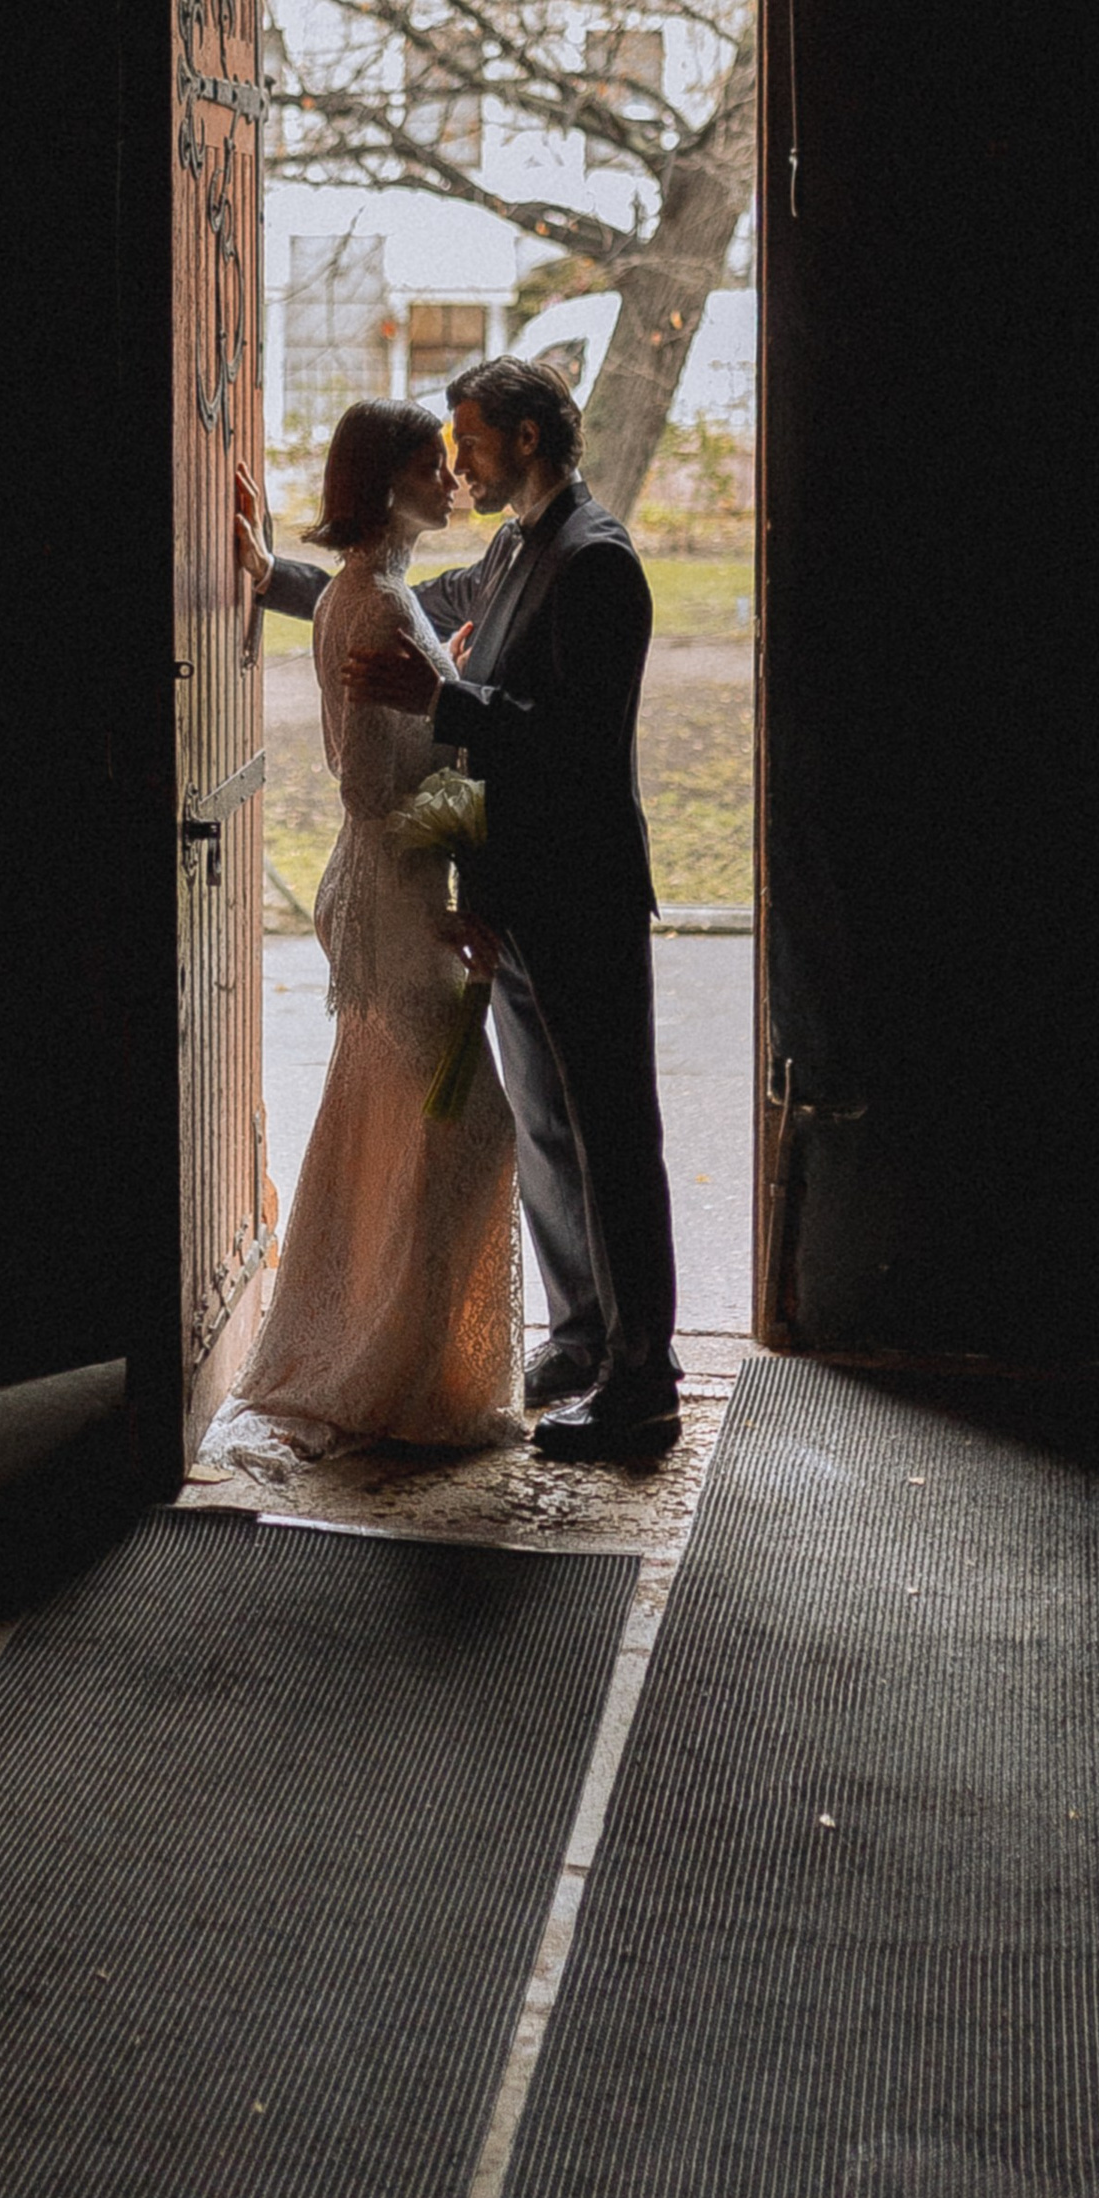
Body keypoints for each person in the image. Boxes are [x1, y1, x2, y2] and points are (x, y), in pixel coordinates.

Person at [240, 354, 679, 1462]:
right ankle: (580, 1339)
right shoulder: (512, 545)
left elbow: (580, 742)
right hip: (501, 893)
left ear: (527, 440)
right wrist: (271, 575)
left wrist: (449, 700)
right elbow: (400, 603)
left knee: (612, 1134)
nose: (459, 463)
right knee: (541, 1126)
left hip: (579, 891)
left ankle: (645, 1383)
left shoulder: (599, 560)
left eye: (471, 443)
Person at [238, 397, 521, 1454]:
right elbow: (366, 787)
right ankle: (398, 1371)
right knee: (472, 1136)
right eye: (430, 465)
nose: (451, 480)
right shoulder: (380, 605)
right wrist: (454, 870)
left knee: (385, 1130)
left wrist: (445, 682)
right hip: (394, 906)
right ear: (386, 482)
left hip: (380, 895)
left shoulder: (369, 590)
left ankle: (370, 1344)